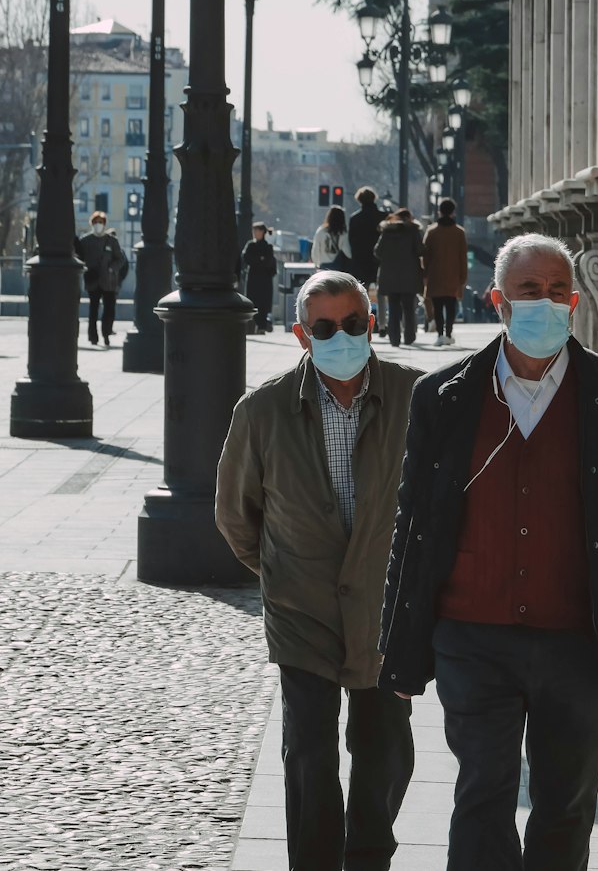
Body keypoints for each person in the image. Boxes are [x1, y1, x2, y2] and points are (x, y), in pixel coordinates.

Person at [379, 233, 598, 871]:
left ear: (574, 300)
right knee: (482, 794)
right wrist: (400, 649)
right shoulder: (443, 396)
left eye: (557, 291)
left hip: (579, 641)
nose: (545, 303)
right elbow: (412, 525)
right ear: (497, 301)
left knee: (565, 804)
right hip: (471, 637)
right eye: (528, 291)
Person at [215, 270, 421, 871]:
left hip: (387, 607)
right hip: (301, 607)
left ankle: (368, 854)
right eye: (325, 327)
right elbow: (236, 515)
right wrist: (282, 568)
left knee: (383, 746)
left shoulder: (418, 396)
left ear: (372, 324)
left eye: (353, 324)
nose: (342, 336)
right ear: (302, 335)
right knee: (308, 749)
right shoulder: (263, 410)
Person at [75, 211, 128, 347]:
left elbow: (121, 258)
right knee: (93, 309)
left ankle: (106, 333)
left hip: (109, 281)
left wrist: (112, 268)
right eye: (96, 222)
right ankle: (93, 337)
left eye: (101, 222)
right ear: (92, 224)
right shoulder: (85, 241)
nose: (98, 225)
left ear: (104, 224)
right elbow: (79, 256)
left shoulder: (112, 241)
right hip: (93, 281)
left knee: (109, 309)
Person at [373, 208, 423, 349]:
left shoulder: (387, 232)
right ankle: (409, 336)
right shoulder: (414, 231)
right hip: (410, 274)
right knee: (408, 307)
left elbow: (377, 252)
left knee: (393, 307)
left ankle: (394, 338)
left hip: (390, 275)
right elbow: (420, 250)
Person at [423, 198, 468, 347]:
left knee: (437, 306)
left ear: (439, 211)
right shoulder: (459, 232)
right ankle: (449, 333)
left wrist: (425, 273)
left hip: (435, 274)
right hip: (453, 275)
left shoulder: (432, 231)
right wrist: (463, 277)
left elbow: (425, 255)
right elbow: (463, 256)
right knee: (450, 306)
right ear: (453, 212)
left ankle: (440, 334)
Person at [240, 221, 277, 333]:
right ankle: (252, 325)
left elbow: (269, 262)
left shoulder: (268, 247)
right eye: (254, 230)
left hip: (264, 280)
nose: (255, 233)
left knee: (263, 303)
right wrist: (260, 259)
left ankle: (261, 326)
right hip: (253, 279)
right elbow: (246, 258)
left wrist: (258, 260)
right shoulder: (250, 245)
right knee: (252, 301)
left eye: (257, 230)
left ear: (262, 232)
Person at [347, 186, 386, 287]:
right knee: (381, 288)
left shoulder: (355, 218)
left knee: (362, 288)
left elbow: (352, 240)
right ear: (374, 198)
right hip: (381, 258)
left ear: (359, 200)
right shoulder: (384, 217)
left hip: (361, 259)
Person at [311, 205, 352, 270]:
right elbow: (348, 253)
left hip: (323, 265)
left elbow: (315, 249)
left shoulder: (321, 231)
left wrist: (316, 264)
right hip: (337, 267)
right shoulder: (343, 233)